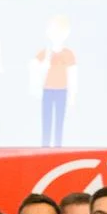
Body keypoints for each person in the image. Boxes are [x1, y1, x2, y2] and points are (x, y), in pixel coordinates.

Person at [33, 14, 77, 147]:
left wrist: (72, 96)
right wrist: (43, 65)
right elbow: (34, 68)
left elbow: (72, 75)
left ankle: (58, 147)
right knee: (46, 119)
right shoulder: (45, 53)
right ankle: (45, 146)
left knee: (59, 121)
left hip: (62, 91)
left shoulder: (68, 54)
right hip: (47, 90)